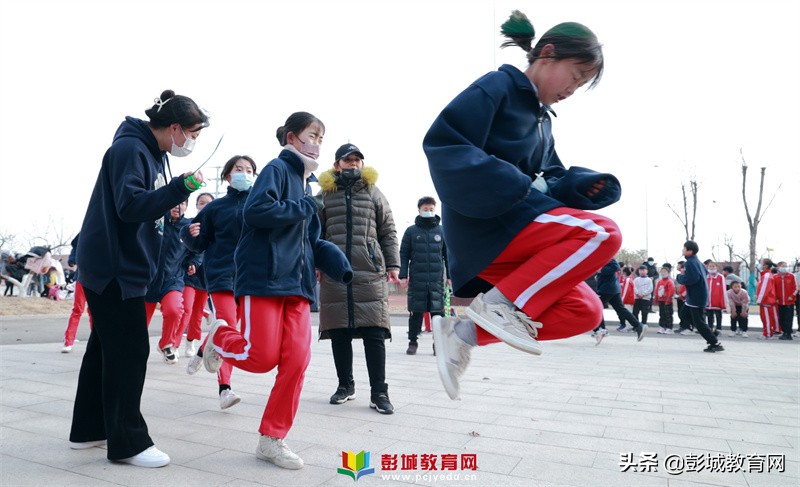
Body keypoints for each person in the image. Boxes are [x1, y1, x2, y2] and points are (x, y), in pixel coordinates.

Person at [423, 11, 634, 400]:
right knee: (604, 232)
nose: (574, 89)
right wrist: (518, 184)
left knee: (585, 310)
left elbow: (550, 178)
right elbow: (443, 143)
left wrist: (580, 186)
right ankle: (500, 307)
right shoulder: (498, 87)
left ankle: (462, 334)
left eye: (583, 84)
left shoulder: (543, 122)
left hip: (517, 230)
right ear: (547, 54)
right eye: (575, 76)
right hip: (485, 223)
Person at [198, 112, 352, 470]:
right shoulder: (276, 169)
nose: (316, 142)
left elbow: (312, 240)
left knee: (297, 361)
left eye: (321, 137)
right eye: (311, 134)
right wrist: (303, 205)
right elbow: (256, 210)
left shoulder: (306, 188)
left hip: (297, 287)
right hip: (264, 279)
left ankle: (272, 439)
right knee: (261, 357)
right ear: (291, 137)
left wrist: (340, 265)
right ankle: (220, 338)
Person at [69, 90, 209, 468]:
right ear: (175, 128)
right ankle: (128, 442)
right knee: (130, 352)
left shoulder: (148, 152)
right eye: (193, 133)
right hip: (115, 267)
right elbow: (129, 206)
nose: (193, 142)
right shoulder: (131, 150)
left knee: (104, 351)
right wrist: (181, 187)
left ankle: (88, 429)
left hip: (117, 264)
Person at [318, 143, 401, 414]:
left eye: (357, 160)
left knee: (374, 332)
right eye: (347, 160)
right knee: (339, 331)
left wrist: (393, 264)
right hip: (335, 271)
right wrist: (317, 265)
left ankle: (379, 392)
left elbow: (388, 230)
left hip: (370, 270)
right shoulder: (325, 195)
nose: (353, 164)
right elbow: (314, 234)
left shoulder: (374, 193)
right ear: (337, 165)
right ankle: (346, 386)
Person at [183, 156, 259, 411]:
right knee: (229, 329)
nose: (244, 174)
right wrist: (190, 235)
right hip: (221, 274)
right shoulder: (214, 208)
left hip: (250, 277)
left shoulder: (260, 205)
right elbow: (197, 241)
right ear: (228, 175)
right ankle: (224, 388)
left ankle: (204, 351)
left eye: (249, 171)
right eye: (239, 169)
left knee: (233, 330)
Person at [144, 200, 197, 364]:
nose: (177, 206)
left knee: (175, 310)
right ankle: (130, 351)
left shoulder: (188, 228)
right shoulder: (156, 222)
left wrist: (194, 262)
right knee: (139, 321)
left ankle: (166, 344)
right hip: (149, 279)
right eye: (173, 203)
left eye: (181, 204)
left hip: (172, 279)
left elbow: (197, 248)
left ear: (186, 207)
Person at [399, 196, 450, 355]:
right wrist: (403, 275)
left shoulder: (442, 231)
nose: (428, 212)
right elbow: (404, 254)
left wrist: (450, 276)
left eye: (431, 210)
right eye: (425, 210)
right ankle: (413, 341)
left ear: (435, 210)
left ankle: (438, 344)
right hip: (417, 279)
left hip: (436, 281)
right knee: (416, 312)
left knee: (438, 314)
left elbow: (448, 255)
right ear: (419, 211)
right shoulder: (411, 231)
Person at [176, 192, 215, 358]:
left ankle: (191, 342)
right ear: (197, 205)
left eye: (208, 203)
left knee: (197, 313)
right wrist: (191, 263)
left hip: (206, 278)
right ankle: (173, 344)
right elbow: (183, 249)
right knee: (186, 309)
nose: (204, 205)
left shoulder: (218, 226)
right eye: (201, 202)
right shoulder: (190, 225)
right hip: (189, 275)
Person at [676, 241, 724, 352]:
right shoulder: (697, 262)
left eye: (684, 249)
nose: (682, 250)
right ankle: (709, 331)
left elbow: (692, 279)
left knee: (699, 322)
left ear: (690, 251)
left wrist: (680, 277)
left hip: (696, 296)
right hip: (695, 296)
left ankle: (714, 342)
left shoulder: (690, 263)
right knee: (683, 314)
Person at [591, 259, 645, 345]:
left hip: (607, 288)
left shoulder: (607, 255)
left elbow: (616, 267)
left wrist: (602, 270)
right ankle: (638, 326)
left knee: (596, 307)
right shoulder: (598, 256)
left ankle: (601, 329)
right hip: (611, 288)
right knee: (620, 309)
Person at [62, 233, 92, 352]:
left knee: (94, 311)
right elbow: (75, 243)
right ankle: (68, 341)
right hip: (83, 276)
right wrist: (72, 259)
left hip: (100, 278)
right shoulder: (88, 227)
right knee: (77, 309)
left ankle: (97, 341)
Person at [755, 258, 779, 339]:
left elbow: (764, 289)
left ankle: (768, 334)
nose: (760, 264)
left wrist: (759, 300)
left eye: (761, 263)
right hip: (765, 301)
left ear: (765, 265)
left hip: (766, 301)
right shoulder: (765, 275)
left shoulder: (767, 276)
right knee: (765, 318)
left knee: (767, 318)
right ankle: (766, 332)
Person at [775, 261, 797, 340]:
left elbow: (795, 288)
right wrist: (776, 298)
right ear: (778, 267)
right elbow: (774, 289)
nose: (784, 267)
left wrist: (792, 296)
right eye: (782, 266)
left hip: (789, 302)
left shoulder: (791, 276)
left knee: (789, 318)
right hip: (780, 302)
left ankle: (788, 333)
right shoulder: (775, 277)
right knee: (781, 318)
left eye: (785, 266)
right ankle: (784, 332)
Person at [704, 262, 727, 334]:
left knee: (718, 316)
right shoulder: (706, 277)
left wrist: (723, 303)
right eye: (710, 266)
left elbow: (723, 290)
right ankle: (710, 327)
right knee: (709, 316)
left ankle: (718, 328)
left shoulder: (720, 277)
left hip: (717, 301)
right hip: (708, 302)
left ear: (716, 268)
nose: (711, 268)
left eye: (713, 266)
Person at [654, 266, 675, 334]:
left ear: (668, 273)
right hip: (661, 300)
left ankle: (669, 328)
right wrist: (656, 298)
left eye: (665, 272)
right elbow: (657, 290)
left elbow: (671, 291)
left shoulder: (669, 282)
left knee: (668, 314)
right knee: (661, 314)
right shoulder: (660, 281)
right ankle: (662, 327)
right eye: (662, 271)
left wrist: (668, 300)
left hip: (667, 301)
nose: (663, 273)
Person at [675, 260, 692, 334]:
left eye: (682, 268)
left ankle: (688, 327)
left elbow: (688, 288)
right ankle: (683, 326)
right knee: (680, 313)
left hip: (685, 299)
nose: (681, 269)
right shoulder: (680, 277)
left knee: (685, 313)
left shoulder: (689, 277)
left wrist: (682, 295)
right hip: (679, 298)